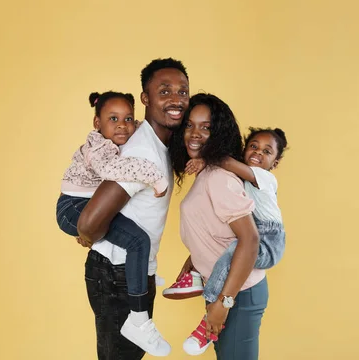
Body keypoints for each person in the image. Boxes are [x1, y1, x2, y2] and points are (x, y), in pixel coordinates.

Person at [77, 58, 190, 359]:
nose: (176, 99)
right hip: (117, 276)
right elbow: (88, 224)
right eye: (164, 91)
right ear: (146, 98)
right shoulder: (142, 151)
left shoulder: (160, 143)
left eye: (182, 92)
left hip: (132, 272)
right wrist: (95, 236)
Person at [56, 90, 170, 355]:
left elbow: (143, 129)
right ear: (97, 123)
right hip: (74, 207)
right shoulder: (99, 147)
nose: (122, 125)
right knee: (137, 241)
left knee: (136, 239)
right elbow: (112, 171)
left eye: (128, 118)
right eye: (113, 119)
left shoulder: (125, 136)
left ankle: (137, 270)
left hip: (87, 204)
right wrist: (154, 176)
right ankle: (139, 321)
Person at [168, 126, 288, 355]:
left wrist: (205, 159)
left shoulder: (264, 178)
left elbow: (229, 163)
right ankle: (200, 284)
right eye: (253, 146)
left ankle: (213, 308)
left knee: (237, 248)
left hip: (269, 240)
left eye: (267, 151)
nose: (258, 153)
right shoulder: (238, 178)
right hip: (247, 260)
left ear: (275, 162)